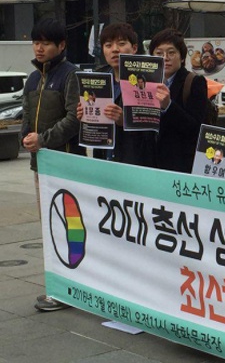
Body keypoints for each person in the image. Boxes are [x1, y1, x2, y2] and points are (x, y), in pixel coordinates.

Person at [21, 18, 85, 312]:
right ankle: (58, 286)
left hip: (66, 163)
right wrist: (26, 139)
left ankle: (70, 286)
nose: (40, 48)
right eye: (36, 42)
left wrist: (43, 139)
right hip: (41, 165)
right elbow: (26, 115)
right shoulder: (33, 79)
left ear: (61, 45)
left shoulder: (70, 75)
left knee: (70, 227)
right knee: (49, 227)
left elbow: (74, 119)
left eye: (46, 43)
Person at [78, 23, 156, 167]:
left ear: (134, 48)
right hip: (104, 161)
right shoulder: (98, 79)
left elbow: (153, 130)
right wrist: (85, 114)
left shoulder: (147, 80)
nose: (114, 49)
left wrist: (125, 120)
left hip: (135, 163)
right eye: (108, 45)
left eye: (121, 44)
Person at [148, 28, 208, 173]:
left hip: (180, 165)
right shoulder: (145, 83)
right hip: (150, 163)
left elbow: (195, 127)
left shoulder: (194, 82)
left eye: (171, 52)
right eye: (159, 53)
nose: (165, 58)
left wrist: (168, 106)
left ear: (182, 57)